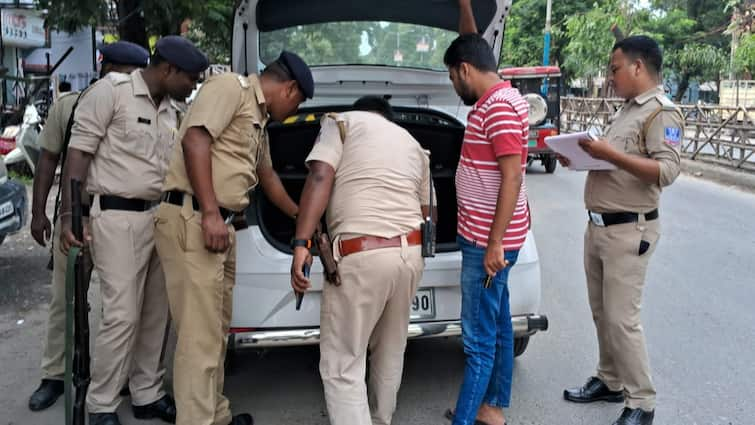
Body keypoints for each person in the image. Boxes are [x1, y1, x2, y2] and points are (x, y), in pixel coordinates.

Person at [153, 50, 312, 425]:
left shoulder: (258, 118)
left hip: (218, 228)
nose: (293, 112)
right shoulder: (231, 88)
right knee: (198, 338)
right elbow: (195, 141)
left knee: (216, 331)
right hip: (195, 218)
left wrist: (304, 219)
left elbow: (268, 179)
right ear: (289, 88)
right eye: (298, 103)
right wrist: (210, 212)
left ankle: (215, 414)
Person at [59, 36, 208, 425]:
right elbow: (78, 153)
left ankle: (146, 392)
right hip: (117, 216)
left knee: (156, 313)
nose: (193, 84)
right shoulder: (112, 92)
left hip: (160, 216)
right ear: (168, 70)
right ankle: (102, 403)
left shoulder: (174, 109)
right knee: (122, 314)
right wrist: (71, 217)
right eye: (190, 77)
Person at [290, 96, 435, 425]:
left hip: (361, 254)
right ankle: (380, 419)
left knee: (342, 364)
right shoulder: (413, 144)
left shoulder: (340, 122)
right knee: (390, 350)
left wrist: (302, 242)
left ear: (359, 111)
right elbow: (429, 213)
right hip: (410, 255)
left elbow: (321, 175)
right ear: (387, 117)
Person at [561, 35, 682, 425]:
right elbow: (615, 166)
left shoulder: (660, 112)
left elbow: (666, 171)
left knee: (621, 319)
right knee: (602, 313)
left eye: (614, 69)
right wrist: (581, 159)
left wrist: (609, 153)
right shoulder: (628, 110)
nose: (610, 76)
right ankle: (611, 381)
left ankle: (642, 403)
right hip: (599, 228)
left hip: (630, 230)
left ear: (637, 67)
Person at [27, 40, 150, 413]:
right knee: (66, 301)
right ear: (107, 68)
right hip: (76, 216)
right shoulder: (73, 104)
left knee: (123, 307)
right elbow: (49, 160)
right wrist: (39, 213)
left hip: (118, 217)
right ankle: (55, 374)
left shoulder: (144, 107)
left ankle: (119, 379)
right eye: (124, 74)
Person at [444, 1, 531, 424]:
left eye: (451, 76)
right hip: (491, 240)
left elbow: (512, 177)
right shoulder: (503, 96)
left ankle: (466, 418)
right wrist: (464, 6)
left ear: (464, 70)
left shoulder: (496, 107)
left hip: (487, 245)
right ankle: (491, 409)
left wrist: (494, 243)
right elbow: (473, 43)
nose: (453, 86)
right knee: (496, 326)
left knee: (477, 339)